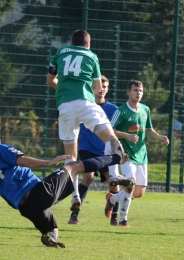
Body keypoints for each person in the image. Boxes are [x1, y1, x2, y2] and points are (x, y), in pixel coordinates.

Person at [46, 29, 127, 212]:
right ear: (88, 43)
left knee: (70, 156)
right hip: (85, 102)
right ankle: (114, 176)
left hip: (65, 106)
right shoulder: (91, 55)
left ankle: (75, 195)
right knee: (110, 138)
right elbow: (98, 88)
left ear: (72, 42)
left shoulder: (60, 52)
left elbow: (50, 80)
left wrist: (64, 89)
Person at [0, 143, 128, 248]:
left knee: (52, 229)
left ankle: (52, 239)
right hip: (38, 193)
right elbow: (21, 160)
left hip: (25, 208)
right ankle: (117, 158)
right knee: (73, 166)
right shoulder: (1, 149)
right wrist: (48, 163)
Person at [105, 80, 170, 227]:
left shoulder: (145, 110)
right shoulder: (121, 111)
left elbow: (148, 130)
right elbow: (109, 130)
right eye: (135, 90)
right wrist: (126, 136)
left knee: (139, 192)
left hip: (142, 155)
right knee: (130, 184)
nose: (138, 93)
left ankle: (112, 199)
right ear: (128, 92)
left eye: (140, 91)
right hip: (126, 155)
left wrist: (159, 137)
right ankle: (123, 219)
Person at [68, 75, 122, 225]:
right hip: (86, 148)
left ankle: (114, 217)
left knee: (114, 182)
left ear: (108, 89)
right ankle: (74, 215)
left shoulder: (113, 110)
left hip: (105, 151)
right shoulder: (85, 105)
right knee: (88, 176)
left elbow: (114, 132)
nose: (101, 89)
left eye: (105, 86)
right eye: (99, 86)